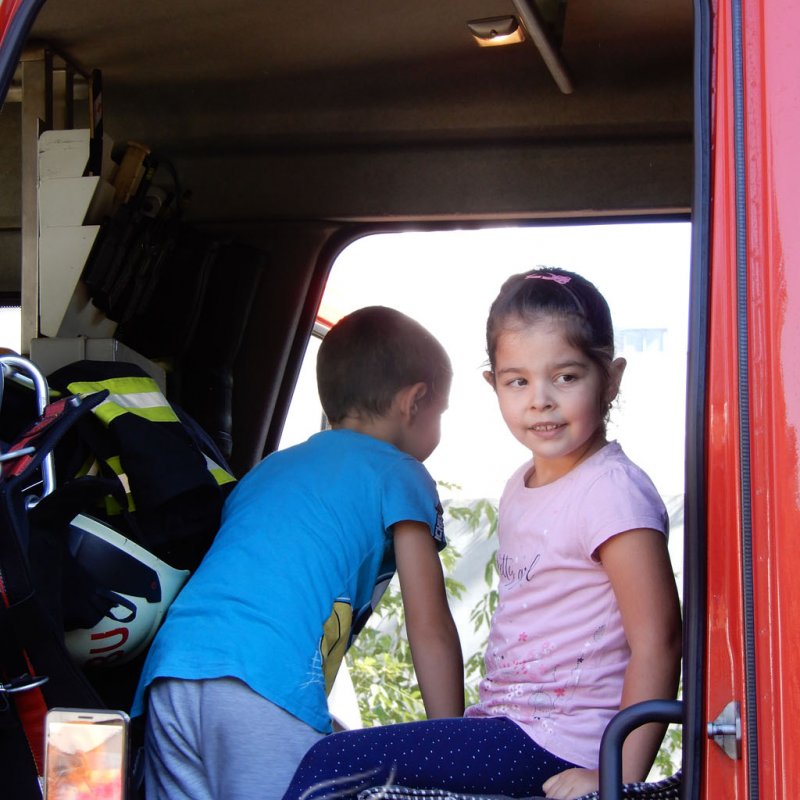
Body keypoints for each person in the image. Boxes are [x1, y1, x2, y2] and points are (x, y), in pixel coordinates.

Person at [281, 267, 682, 800]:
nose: (539, 399)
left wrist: (618, 776)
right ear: (493, 384)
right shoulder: (521, 485)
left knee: (332, 766)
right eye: (518, 380)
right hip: (507, 726)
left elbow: (659, 639)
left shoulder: (612, 491)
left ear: (610, 379)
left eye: (565, 377)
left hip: (562, 742)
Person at [130, 305, 465, 800]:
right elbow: (429, 624)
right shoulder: (400, 473)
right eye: (442, 411)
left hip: (173, 672)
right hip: (263, 683)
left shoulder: (267, 470)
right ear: (415, 402)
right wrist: (455, 748)